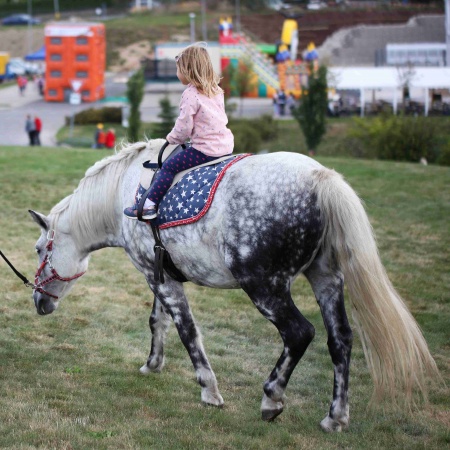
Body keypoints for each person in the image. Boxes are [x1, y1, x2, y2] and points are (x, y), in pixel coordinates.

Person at [124, 42, 234, 220]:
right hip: (225, 145)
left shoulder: (190, 94)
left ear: (188, 71)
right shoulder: (216, 89)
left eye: (179, 70)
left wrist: (172, 138)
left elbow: (184, 126)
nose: (177, 74)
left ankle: (149, 206)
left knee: (168, 167)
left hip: (205, 149)